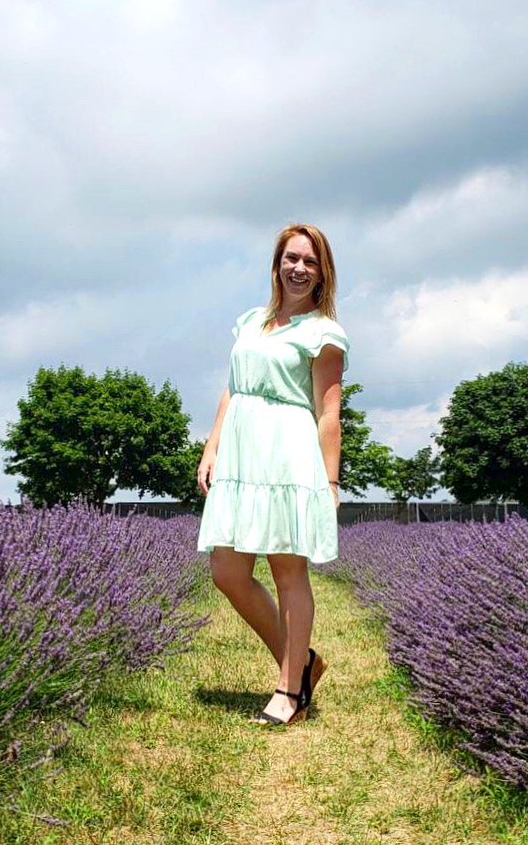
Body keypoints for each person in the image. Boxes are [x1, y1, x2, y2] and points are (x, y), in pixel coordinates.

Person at [196, 223, 349, 726]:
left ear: (322, 272)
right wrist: (213, 445)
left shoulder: (323, 334)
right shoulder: (249, 322)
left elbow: (329, 414)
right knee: (228, 571)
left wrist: (329, 482)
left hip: (287, 455)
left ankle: (291, 691)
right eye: (291, 258)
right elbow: (233, 388)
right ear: (277, 263)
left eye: (310, 261)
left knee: (288, 572)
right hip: (241, 453)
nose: (299, 269)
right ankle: (301, 660)